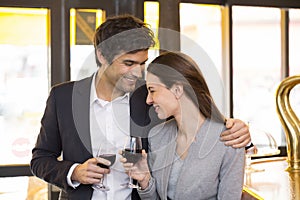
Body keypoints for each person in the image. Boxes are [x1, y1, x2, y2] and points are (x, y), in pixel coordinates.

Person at [30, 14, 249, 200]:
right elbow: (40, 159)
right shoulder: (63, 97)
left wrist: (233, 126)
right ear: (102, 55)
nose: (138, 72)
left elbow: (194, 116)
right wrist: (74, 172)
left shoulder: (150, 96)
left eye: (142, 63)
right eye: (129, 63)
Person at [120, 51, 245, 200]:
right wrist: (145, 179)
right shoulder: (157, 135)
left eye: (152, 91)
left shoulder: (229, 140)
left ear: (177, 90)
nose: (148, 100)